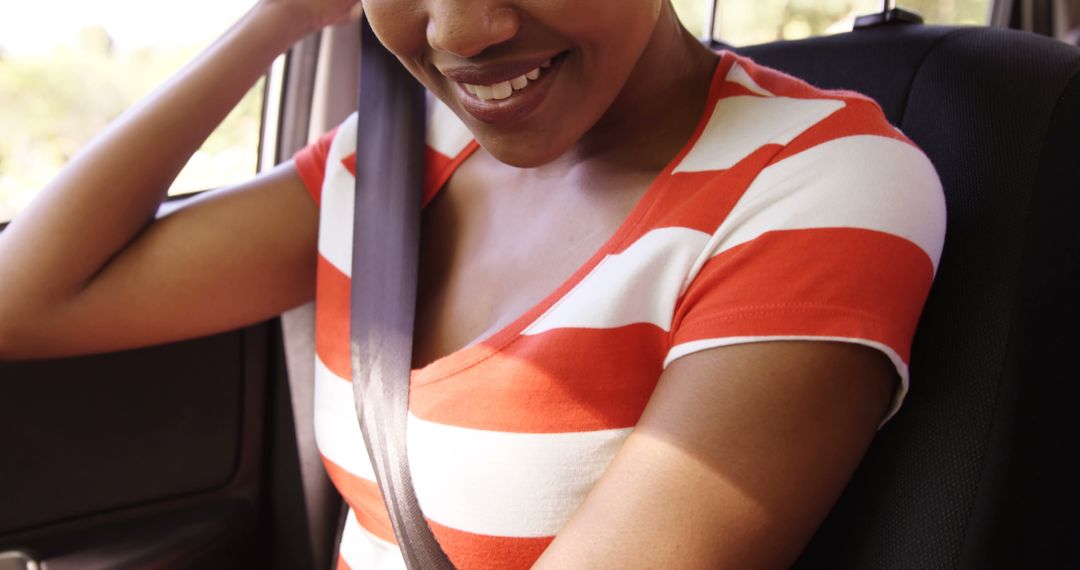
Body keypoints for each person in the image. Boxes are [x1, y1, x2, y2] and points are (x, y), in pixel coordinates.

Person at [0, 0, 946, 568]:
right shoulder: (393, 160)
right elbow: (28, 299)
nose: (461, 30)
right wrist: (276, 20)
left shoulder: (823, 183)